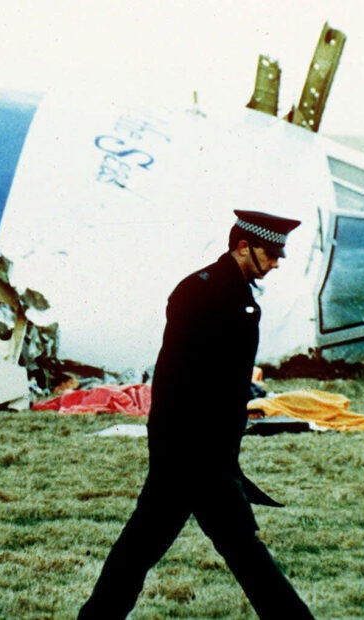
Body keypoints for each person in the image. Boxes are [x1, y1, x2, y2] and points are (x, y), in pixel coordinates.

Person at [79, 210, 314, 619]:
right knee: (239, 548)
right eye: (272, 252)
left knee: (150, 547)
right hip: (191, 451)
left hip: (203, 453)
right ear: (244, 248)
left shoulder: (234, 293)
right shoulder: (200, 292)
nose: (276, 262)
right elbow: (181, 381)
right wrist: (206, 458)